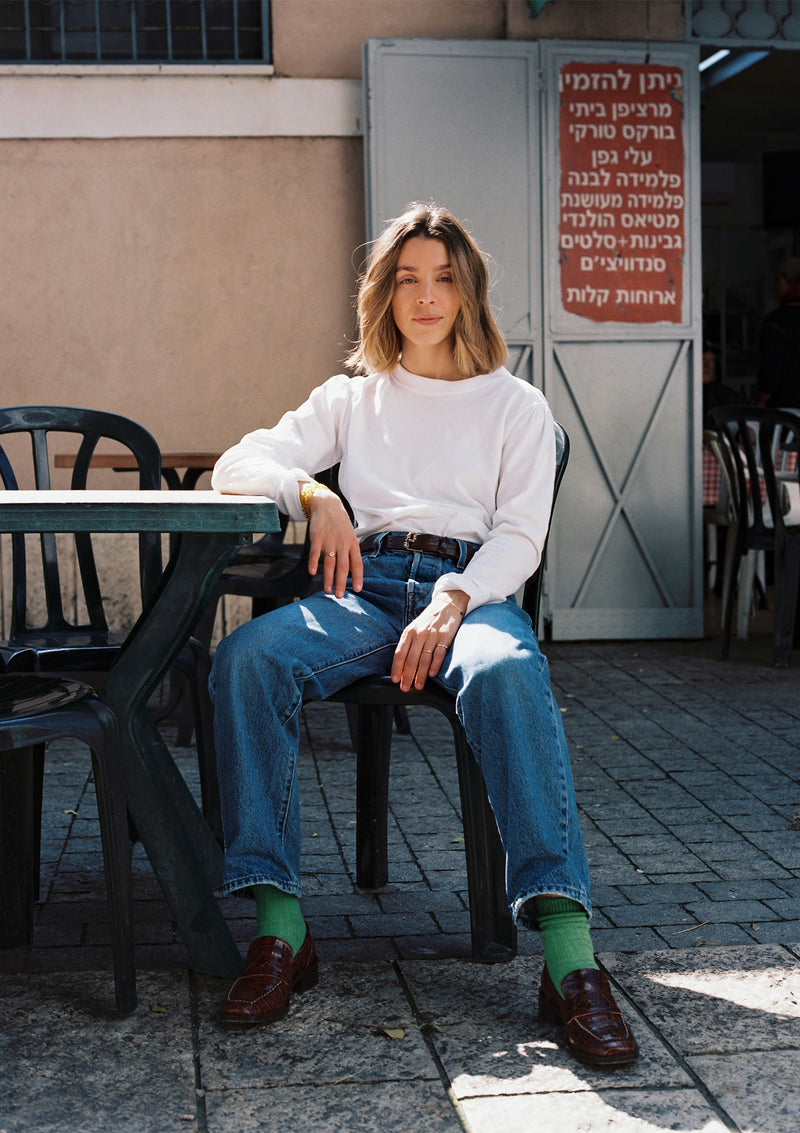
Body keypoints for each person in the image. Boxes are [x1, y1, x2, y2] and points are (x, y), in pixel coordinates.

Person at [209, 202, 638, 1068]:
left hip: (470, 591)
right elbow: (235, 463)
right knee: (247, 659)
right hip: (364, 590)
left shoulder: (517, 406)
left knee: (511, 673)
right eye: (407, 277)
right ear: (386, 292)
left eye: (443, 277)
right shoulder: (353, 397)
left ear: (467, 290)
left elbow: (521, 535)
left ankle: (568, 958)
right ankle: (282, 931)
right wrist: (313, 493)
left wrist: (456, 600)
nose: (426, 294)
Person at [755, 256, 800, 409]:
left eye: (776, 282)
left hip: (785, 416)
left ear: (782, 280)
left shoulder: (776, 322)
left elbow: (770, 371)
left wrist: (761, 401)